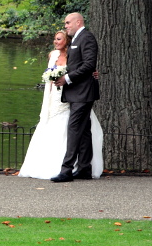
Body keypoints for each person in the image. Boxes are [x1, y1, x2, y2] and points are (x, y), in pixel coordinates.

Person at [18, 28, 103, 180]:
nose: (55, 42)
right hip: (55, 96)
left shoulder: (73, 53)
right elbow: (49, 74)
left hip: (72, 93)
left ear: (66, 41)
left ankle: (73, 167)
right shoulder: (53, 55)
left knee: (73, 128)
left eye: (59, 39)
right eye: (55, 39)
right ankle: (51, 165)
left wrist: (93, 74)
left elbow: (84, 68)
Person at [51, 12, 101, 182]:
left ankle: (66, 170)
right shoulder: (76, 39)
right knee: (84, 130)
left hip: (83, 93)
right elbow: (78, 64)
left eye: (68, 23)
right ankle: (84, 168)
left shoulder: (87, 38)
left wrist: (67, 78)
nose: (65, 26)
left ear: (78, 22)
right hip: (78, 92)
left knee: (73, 129)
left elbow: (89, 64)